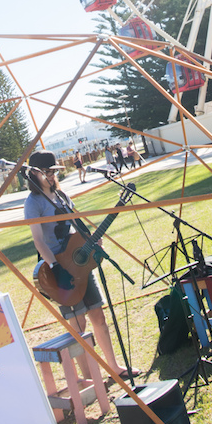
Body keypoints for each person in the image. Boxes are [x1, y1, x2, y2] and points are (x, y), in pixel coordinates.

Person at [24, 150, 136, 378]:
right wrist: (55, 266)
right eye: (45, 172)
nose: (50, 176)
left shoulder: (62, 197)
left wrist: (92, 241)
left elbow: (77, 227)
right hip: (60, 271)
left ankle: (114, 368)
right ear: (34, 175)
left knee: (99, 318)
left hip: (81, 266)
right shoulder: (33, 203)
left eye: (53, 172)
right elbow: (38, 240)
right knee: (79, 328)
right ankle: (91, 377)